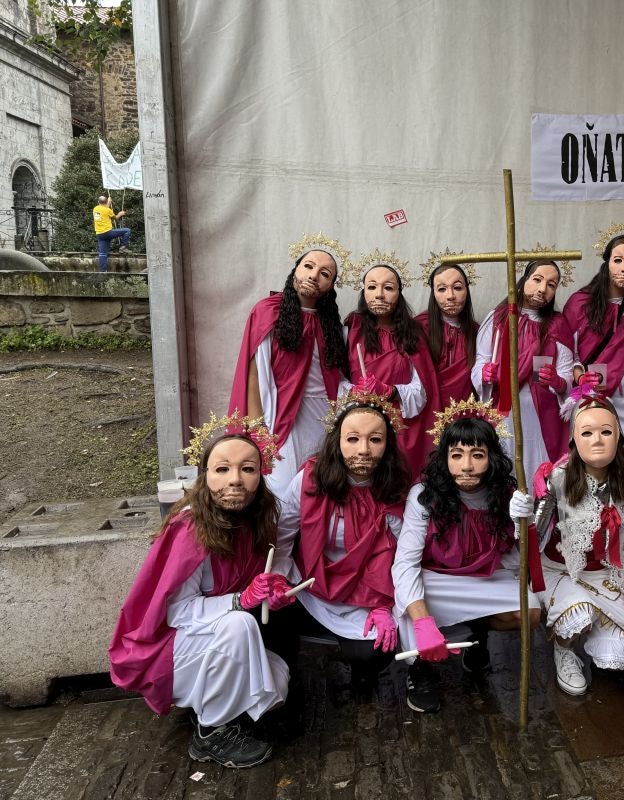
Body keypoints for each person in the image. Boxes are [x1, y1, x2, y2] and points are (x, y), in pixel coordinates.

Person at [109, 414, 295, 768]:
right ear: (205, 475)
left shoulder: (256, 519)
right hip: (168, 646)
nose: (235, 480)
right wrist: (241, 600)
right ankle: (210, 733)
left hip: (210, 635)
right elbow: (177, 611)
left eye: (248, 469)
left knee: (280, 684)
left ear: (261, 475)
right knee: (239, 625)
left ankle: (210, 702)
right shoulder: (190, 529)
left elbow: (273, 563)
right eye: (222, 469)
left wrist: (277, 586)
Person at [392, 398, 539, 713]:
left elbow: (517, 559)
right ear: (445, 458)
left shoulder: (506, 495)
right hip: (438, 580)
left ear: (492, 458)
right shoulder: (424, 496)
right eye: (457, 455)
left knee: (530, 613)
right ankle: (420, 670)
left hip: (485, 579)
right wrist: (422, 620)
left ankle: (475, 633)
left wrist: (521, 522)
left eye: (477, 455)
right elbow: (405, 563)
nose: (467, 466)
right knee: (410, 604)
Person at [275, 388, 411, 689]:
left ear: (387, 445)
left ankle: (362, 679)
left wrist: (386, 605)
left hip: (370, 590)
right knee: (270, 619)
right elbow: (284, 535)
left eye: (374, 439)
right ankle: (287, 680)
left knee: (374, 652)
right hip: (311, 582)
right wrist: (278, 579)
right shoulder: (309, 480)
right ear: (337, 442)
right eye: (353, 439)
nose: (363, 449)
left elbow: (403, 556)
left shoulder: (396, 490)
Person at [533, 394, 624, 696]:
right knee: (579, 614)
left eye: (606, 431)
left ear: (619, 437)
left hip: (605, 573)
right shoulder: (557, 477)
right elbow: (531, 537)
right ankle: (563, 649)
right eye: (587, 432)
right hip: (562, 570)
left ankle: (588, 631)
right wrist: (523, 514)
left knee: (617, 655)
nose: (597, 440)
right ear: (574, 439)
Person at [229, 234, 350, 496]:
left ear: (330, 286)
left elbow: (334, 376)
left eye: (324, 273)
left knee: (319, 489)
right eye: (308, 266)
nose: (314, 275)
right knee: (281, 489)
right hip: (282, 415)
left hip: (325, 417)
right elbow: (254, 373)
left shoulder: (331, 325)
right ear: (295, 270)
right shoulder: (267, 311)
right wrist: (257, 427)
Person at [473, 257, 573, 480]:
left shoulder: (557, 324)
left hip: (542, 416)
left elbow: (567, 372)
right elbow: (480, 360)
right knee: (505, 462)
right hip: (504, 409)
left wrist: (558, 381)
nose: (542, 288)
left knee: (539, 468)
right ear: (524, 280)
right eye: (537, 279)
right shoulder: (498, 317)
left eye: (551, 284)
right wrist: (484, 373)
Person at [344, 249, 439, 475]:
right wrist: (352, 390)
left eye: (388, 288)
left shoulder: (413, 334)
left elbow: (422, 390)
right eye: (372, 287)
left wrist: (390, 391)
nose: (379, 294)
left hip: (400, 427)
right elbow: (333, 380)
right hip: (358, 421)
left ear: (399, 293)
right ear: (364, 292)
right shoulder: (350, 329)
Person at [562, 223, 624, 447]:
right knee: (595, 455)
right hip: (593, 394)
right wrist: (579, 377)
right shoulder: (580, 303)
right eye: (618, 260)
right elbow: (567, 352)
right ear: (607, 263)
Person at [416, 253, 479, 412]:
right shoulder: (418, 327)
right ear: (433, 293)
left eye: (457, 288)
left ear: (467, 290)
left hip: (465, 415)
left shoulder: (477, 332)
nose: (450, 296)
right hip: (428, 411)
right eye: (442, 289)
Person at [92, 194, 131, 272]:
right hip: (108, 233)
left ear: (98, 202)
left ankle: (103, 272)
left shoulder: (95, 209)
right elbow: (116, 218)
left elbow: (103, 208)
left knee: (103, 254)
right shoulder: (108, 210)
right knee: (127, 231)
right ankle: (123, 248)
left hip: (100, 234)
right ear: (106, 202)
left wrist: (108, 203)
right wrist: (120, 214)